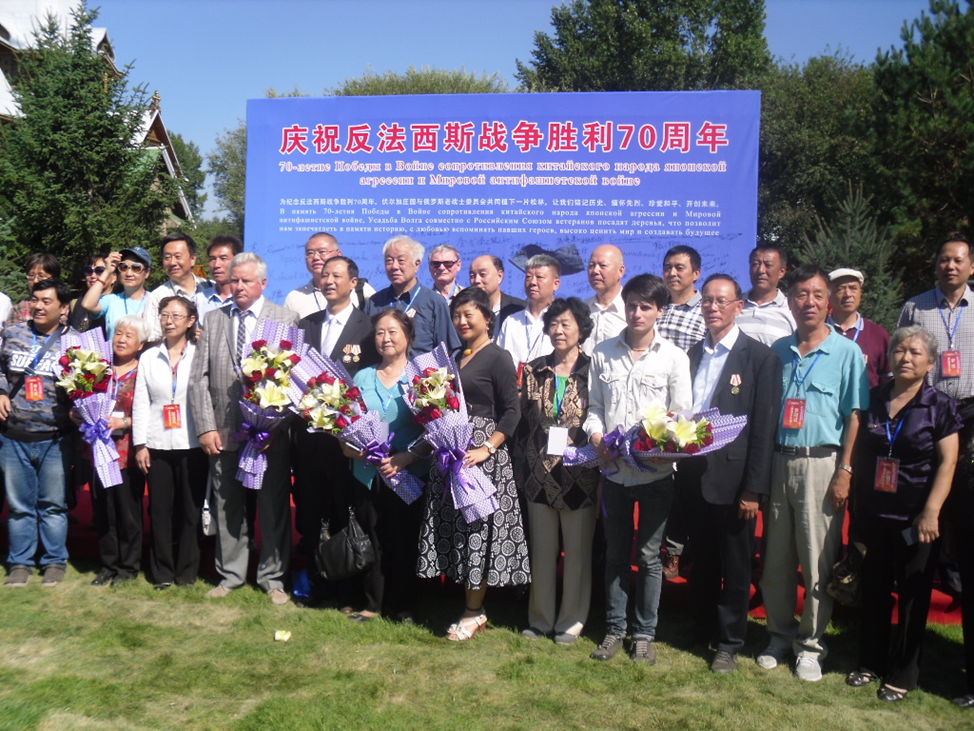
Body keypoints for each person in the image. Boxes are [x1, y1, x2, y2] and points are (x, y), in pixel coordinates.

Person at [757, 264, 869, 682]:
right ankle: (779, 635)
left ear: (830, 302)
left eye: (818, 295)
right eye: (802, 294)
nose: (810, 302)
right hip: (779, 461)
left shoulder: (847, 353)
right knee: (777, 560)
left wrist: (845, 470)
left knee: (817, 559)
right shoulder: (778, 351)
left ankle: (810, 646)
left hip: (822, 464)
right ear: (790, 301)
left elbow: (854, 416)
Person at [845, 326, 960, 702]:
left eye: (914, 352)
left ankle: (904, 674)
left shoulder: (940, 406)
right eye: (899, 350)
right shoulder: (875, 398)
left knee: (913, 595)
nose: (905, 358)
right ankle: (869, 662)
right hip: (874, 513)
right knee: (874, 589)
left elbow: (948, 462)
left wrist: (931, 511)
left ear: (931, 362)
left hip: (915, 519)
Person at [583, 273, 692, 665]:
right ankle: (615, 629)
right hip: (614, 473)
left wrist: (666, 450)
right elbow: (594, 408)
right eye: (631, 305)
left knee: (648, 556)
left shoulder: (674, 357)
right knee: (615, 553)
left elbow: (682, 417)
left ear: (660, 311)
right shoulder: (602, 353)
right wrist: (596, 437)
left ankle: (644, 634)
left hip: (656, 475)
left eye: (646, 306)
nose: (637, 313)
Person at [675, 274, 781, 673]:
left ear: (739, 306)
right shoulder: (690, 354)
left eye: (722, 301)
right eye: (707, 301)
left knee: (736, 565)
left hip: (736, 482)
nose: (713, 307)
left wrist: (754, 488)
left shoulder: (760, 358)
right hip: (694, 475)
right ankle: (702, 624)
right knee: (702, 558)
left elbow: (763, 430)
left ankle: (730, 640)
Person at [416, 286, 528, 640]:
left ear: (487, 318)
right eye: (457, 315)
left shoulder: (498, 357)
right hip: (451, 453)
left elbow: (512, 411)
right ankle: (464, 602)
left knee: (477, 532)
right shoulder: (451, 357)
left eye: (469, 314)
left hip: (480, 458)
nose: (462, 321)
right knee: (457, 530)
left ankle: (474, 611)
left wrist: (488, 448)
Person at [188, 252, 299, 605]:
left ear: (263, 283)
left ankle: (273, 578)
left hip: (269, 435)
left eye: (246, 281)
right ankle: (231, 575)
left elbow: (295, 381)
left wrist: (276, 427)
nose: (238, 286)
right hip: (224, 431)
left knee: (273, 505)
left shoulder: (285, 318)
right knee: (227, 505)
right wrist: (206, 428)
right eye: (234, 280)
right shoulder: (214, 318)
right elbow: (198, 379)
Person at [896, 236, 974, 708]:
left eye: (958, 259)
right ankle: (905, 661)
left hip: (971, 418)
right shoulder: (915, 307)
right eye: (943, 258)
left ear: (971, 266)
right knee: (918, 541)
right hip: (924, 418)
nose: (949, 265)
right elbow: (903, 360)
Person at [516, 297, 599, 646]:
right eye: (553, 324)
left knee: (577, 554)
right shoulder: (534, 370)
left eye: (566, 324)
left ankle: (571, 622)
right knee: (543, 552)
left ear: (581, 329)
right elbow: (522, 422)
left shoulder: (593, 370)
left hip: (581, 475)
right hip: (539, 474)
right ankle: (540, 619)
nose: (558, 330)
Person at [294, 255, 377, 606]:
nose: (329, 281)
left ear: (353, 283)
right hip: (309, 438)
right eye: (324, 275)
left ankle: (349, 589)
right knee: (312, 511)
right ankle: (318, 585)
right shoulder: (307, 324)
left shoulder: (368, 327)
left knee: (346, 511)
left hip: (346, 441)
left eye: (336, 275)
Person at [338, 309, 427, 621]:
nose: (385, 338)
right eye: (379, 333)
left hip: (407, 473)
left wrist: (408, 457)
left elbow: (435, 430)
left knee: (404, 538)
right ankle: (372, 603)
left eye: (392, 332)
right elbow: (344, 423)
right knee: (372, 536)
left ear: (408, 336)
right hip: (367, 472)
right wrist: (353, 449)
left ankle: (403, 605)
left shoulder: (422, 377)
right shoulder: (362, 377)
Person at [0, 278, 76, 587]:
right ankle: (20, 562)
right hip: (14, 435)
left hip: (56, 438)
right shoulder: (13, 333)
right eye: (35, 300)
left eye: (47, 301)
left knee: (53, 505)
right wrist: (1, 392)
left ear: (63, 307)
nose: (39, 306)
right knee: (19, 507)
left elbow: (89, 385)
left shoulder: (76, 343)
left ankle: (54, 561)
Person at [133, 295, 208, 590]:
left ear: (191, 321)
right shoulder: (149, 356)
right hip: (157, 443)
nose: (169, 321)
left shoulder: (200, 353)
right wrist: (140, 444)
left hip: (193, 442)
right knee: (160, 510)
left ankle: (187, 572)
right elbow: (141, 402)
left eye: (177, 316)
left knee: (190, 510)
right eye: (165, 315)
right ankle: (162, 572)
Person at [83, 314, 146, 588]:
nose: (121, 339)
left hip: (127, 452)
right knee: (104, 510)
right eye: (118, 333)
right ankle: (108, 565)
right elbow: (82, 399)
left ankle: (128, 567)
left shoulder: (144, 370)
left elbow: (151, 410)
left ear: (140, 344)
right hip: (99, 449)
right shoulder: (98, 368)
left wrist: (126, 422)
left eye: (129, 336)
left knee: (127, 512)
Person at [366, 234, 459, 355]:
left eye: (401, 261)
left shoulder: (434, 302)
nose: (394, 266)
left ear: (417, 264)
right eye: (389, 261)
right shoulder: (375, 302)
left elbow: (447, 350)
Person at [142, 232, 215, 342]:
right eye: (167, 257)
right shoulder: (157, 297)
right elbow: (151, 340)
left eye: (178, 257)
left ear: (193, 259)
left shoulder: (211, 288)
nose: (172, 262)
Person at [828, 268, 891, 388]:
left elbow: (888, 380)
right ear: (829, 294)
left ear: (860, 293)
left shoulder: (878, 334)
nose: (848, 294)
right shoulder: (817, 332)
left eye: (853, 288)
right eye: (840, 288)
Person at [496, 254, 561, 370]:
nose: (532, 282)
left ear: (555, 284)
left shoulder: (563, 321)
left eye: (539, 277)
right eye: (528, 277)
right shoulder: (511, 322)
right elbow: (498, 363)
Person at [285, 232, 373, 316]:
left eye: (322, 252)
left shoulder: (361, 290)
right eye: (310, 253)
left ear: (338, 254)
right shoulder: (295, 297)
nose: (315, 257)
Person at [77, 248, 152, 341]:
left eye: (136, 268)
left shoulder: (155, 300)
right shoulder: (111, 300)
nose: (129, 273)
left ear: (147, 273)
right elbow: (87, 304)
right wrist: (107, 271)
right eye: (124, 267)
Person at [737, 245, 796, 347]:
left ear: (782, 271)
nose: (761, 270)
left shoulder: (792, 310)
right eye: (755, 264)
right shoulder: (734, 305)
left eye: (768, 265)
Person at [657, 245, 706, 352]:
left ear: (696, 274)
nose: (672, 273)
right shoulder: (656, 307)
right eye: (667, 268)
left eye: (679, 268)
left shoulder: (706, 311)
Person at [581, 244, 626, 355]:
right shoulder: (582, 309)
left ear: (620, 271)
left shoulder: (633, 309)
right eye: (591, 265)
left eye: (603, 266)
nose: (595, 271)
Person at [468, 254, 524, 332]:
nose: (477, 280)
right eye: (472, 276)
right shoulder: (465, 310)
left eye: (483, 274)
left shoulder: (519, 309)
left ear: (499, 276)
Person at [6, 253, 61, 327]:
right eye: (31, 275)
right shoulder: (19, 309)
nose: (35, 281)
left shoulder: (66, 308)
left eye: (41, 276)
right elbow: (11, 332)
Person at [69, 253, 117, 334]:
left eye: (100, 271)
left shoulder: (117, 304)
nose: (93, 276)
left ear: (114, 277)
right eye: (88, 271)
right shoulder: (77, 303)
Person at [204, 235, 244, 310]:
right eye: (212, 259)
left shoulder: (248, 300)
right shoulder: (200, 300)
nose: (216, 265)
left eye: (223, 258)